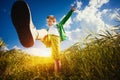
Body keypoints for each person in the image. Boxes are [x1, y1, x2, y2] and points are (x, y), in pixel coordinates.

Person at [11, 0, 76, 73]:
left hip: (55, 38)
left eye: (49, 21)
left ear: (54, 21)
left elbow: (65, 18)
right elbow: (45, 33)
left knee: (56, 58)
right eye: (47, 21)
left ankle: (58, 75)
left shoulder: (58, 25)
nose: (48, 23)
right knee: (44, 31)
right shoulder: (48, 29)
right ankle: (34, 33)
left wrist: (71, 11)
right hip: (48, 38)